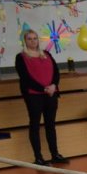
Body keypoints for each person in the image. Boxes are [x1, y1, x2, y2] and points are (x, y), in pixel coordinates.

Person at [15, 28, 67, 166]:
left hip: (51, 94)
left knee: (50, 125)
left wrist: (54, 85)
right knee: (35, 125)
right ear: (25, 41)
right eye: (29, 39)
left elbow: (56, 72)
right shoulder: (21, 57)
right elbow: (25, 78)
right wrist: (43, 89)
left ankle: (55, 154)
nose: (33, 41)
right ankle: (38, 157)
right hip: (34, 96)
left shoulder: (47, 54)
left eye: (35, 38)